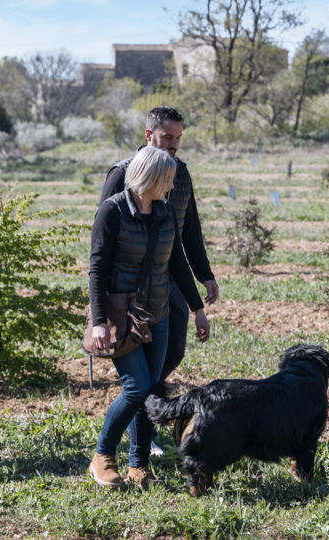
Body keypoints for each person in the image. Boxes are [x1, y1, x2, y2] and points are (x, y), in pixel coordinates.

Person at [88, 146, 207, 489]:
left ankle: (138, 466)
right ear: (150, 177)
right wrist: (98, 320)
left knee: (151, 390)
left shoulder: (166, 212)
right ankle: (102, 456)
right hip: (120, 316)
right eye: (167, 179)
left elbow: (177, 264)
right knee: (137, 386)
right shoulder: (112, 211)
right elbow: (97, 269)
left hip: (158, 313)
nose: (172, 186)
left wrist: (197, 308)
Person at [100, 106, 215, 455]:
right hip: (132, 289)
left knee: (172, 354)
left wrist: (204, 276)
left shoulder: (180, 174)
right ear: (148, 135)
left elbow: (189, 231)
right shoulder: (122, 174)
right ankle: (141, 438)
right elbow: (102, 244)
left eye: (179, 138)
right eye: (168, 137)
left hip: (172, 281)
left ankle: (143, 423)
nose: (174, 144)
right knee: (144, 379)